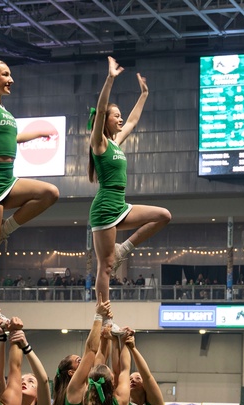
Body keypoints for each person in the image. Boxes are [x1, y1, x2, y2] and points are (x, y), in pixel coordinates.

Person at [0, 21, 60, 293]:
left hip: (8, 178)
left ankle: (7, 229)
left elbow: (10, 139)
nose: (11, 79)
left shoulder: (2, 110)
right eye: (5, 75)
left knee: (49, 193)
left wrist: (38, 133)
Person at [88, 56, 171, 307]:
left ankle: (124, 248)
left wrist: (144, 94)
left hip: (120, 205)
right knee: (106, 267)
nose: (120, 119)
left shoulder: (115, 142)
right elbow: (101, 109)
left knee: (163, 215)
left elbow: (133, 121)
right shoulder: (99, 143)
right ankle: (102, 315)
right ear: (105, 120)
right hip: (104, 208)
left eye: (119, 115)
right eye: (116, 115)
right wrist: (110, 78)